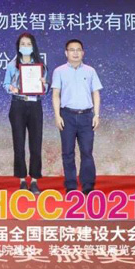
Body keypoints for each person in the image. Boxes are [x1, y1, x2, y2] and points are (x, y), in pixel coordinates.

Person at [52, 39, 102, 194]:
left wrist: (96, 115)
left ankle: (88, 185)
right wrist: (57, 115)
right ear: (66, 53)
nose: (75, 53)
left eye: (78, 50)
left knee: (87, 151)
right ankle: (71, 186)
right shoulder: (59, 71)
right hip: (67, 115)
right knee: (68, 152)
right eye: (72, 50)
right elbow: (55, 94)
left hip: (86, 116)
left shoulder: (90, 71)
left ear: (83, 52)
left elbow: (96, 93)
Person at [3, 32, 48, 195]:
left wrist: (44, 85)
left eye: (29, 44)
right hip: (18, 105)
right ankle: (22, 179)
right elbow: (5, 84)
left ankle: (34, 180)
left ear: (33, 46)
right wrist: (11, 88)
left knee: (36, 143)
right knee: (19, 143)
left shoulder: (40, 65)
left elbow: (45, 89)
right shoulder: (12, 65)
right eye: (23, 44)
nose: (26, 47)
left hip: (35, 105)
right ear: (18, 46)